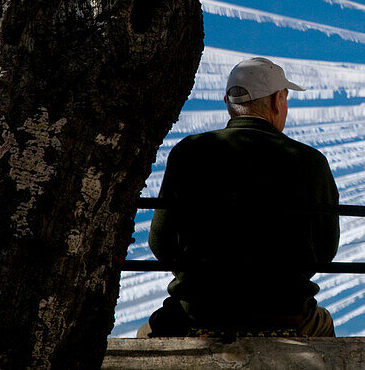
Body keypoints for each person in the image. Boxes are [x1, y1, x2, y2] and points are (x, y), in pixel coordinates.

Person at [139, 57, 340, 337]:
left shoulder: (188, 153)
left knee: (142, 337)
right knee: (324, 327)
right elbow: (325, 250)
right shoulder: (311, 162)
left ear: (227, 101)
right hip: (286, 314)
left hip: (197, 312)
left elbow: (160, 243)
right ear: (277, 101)